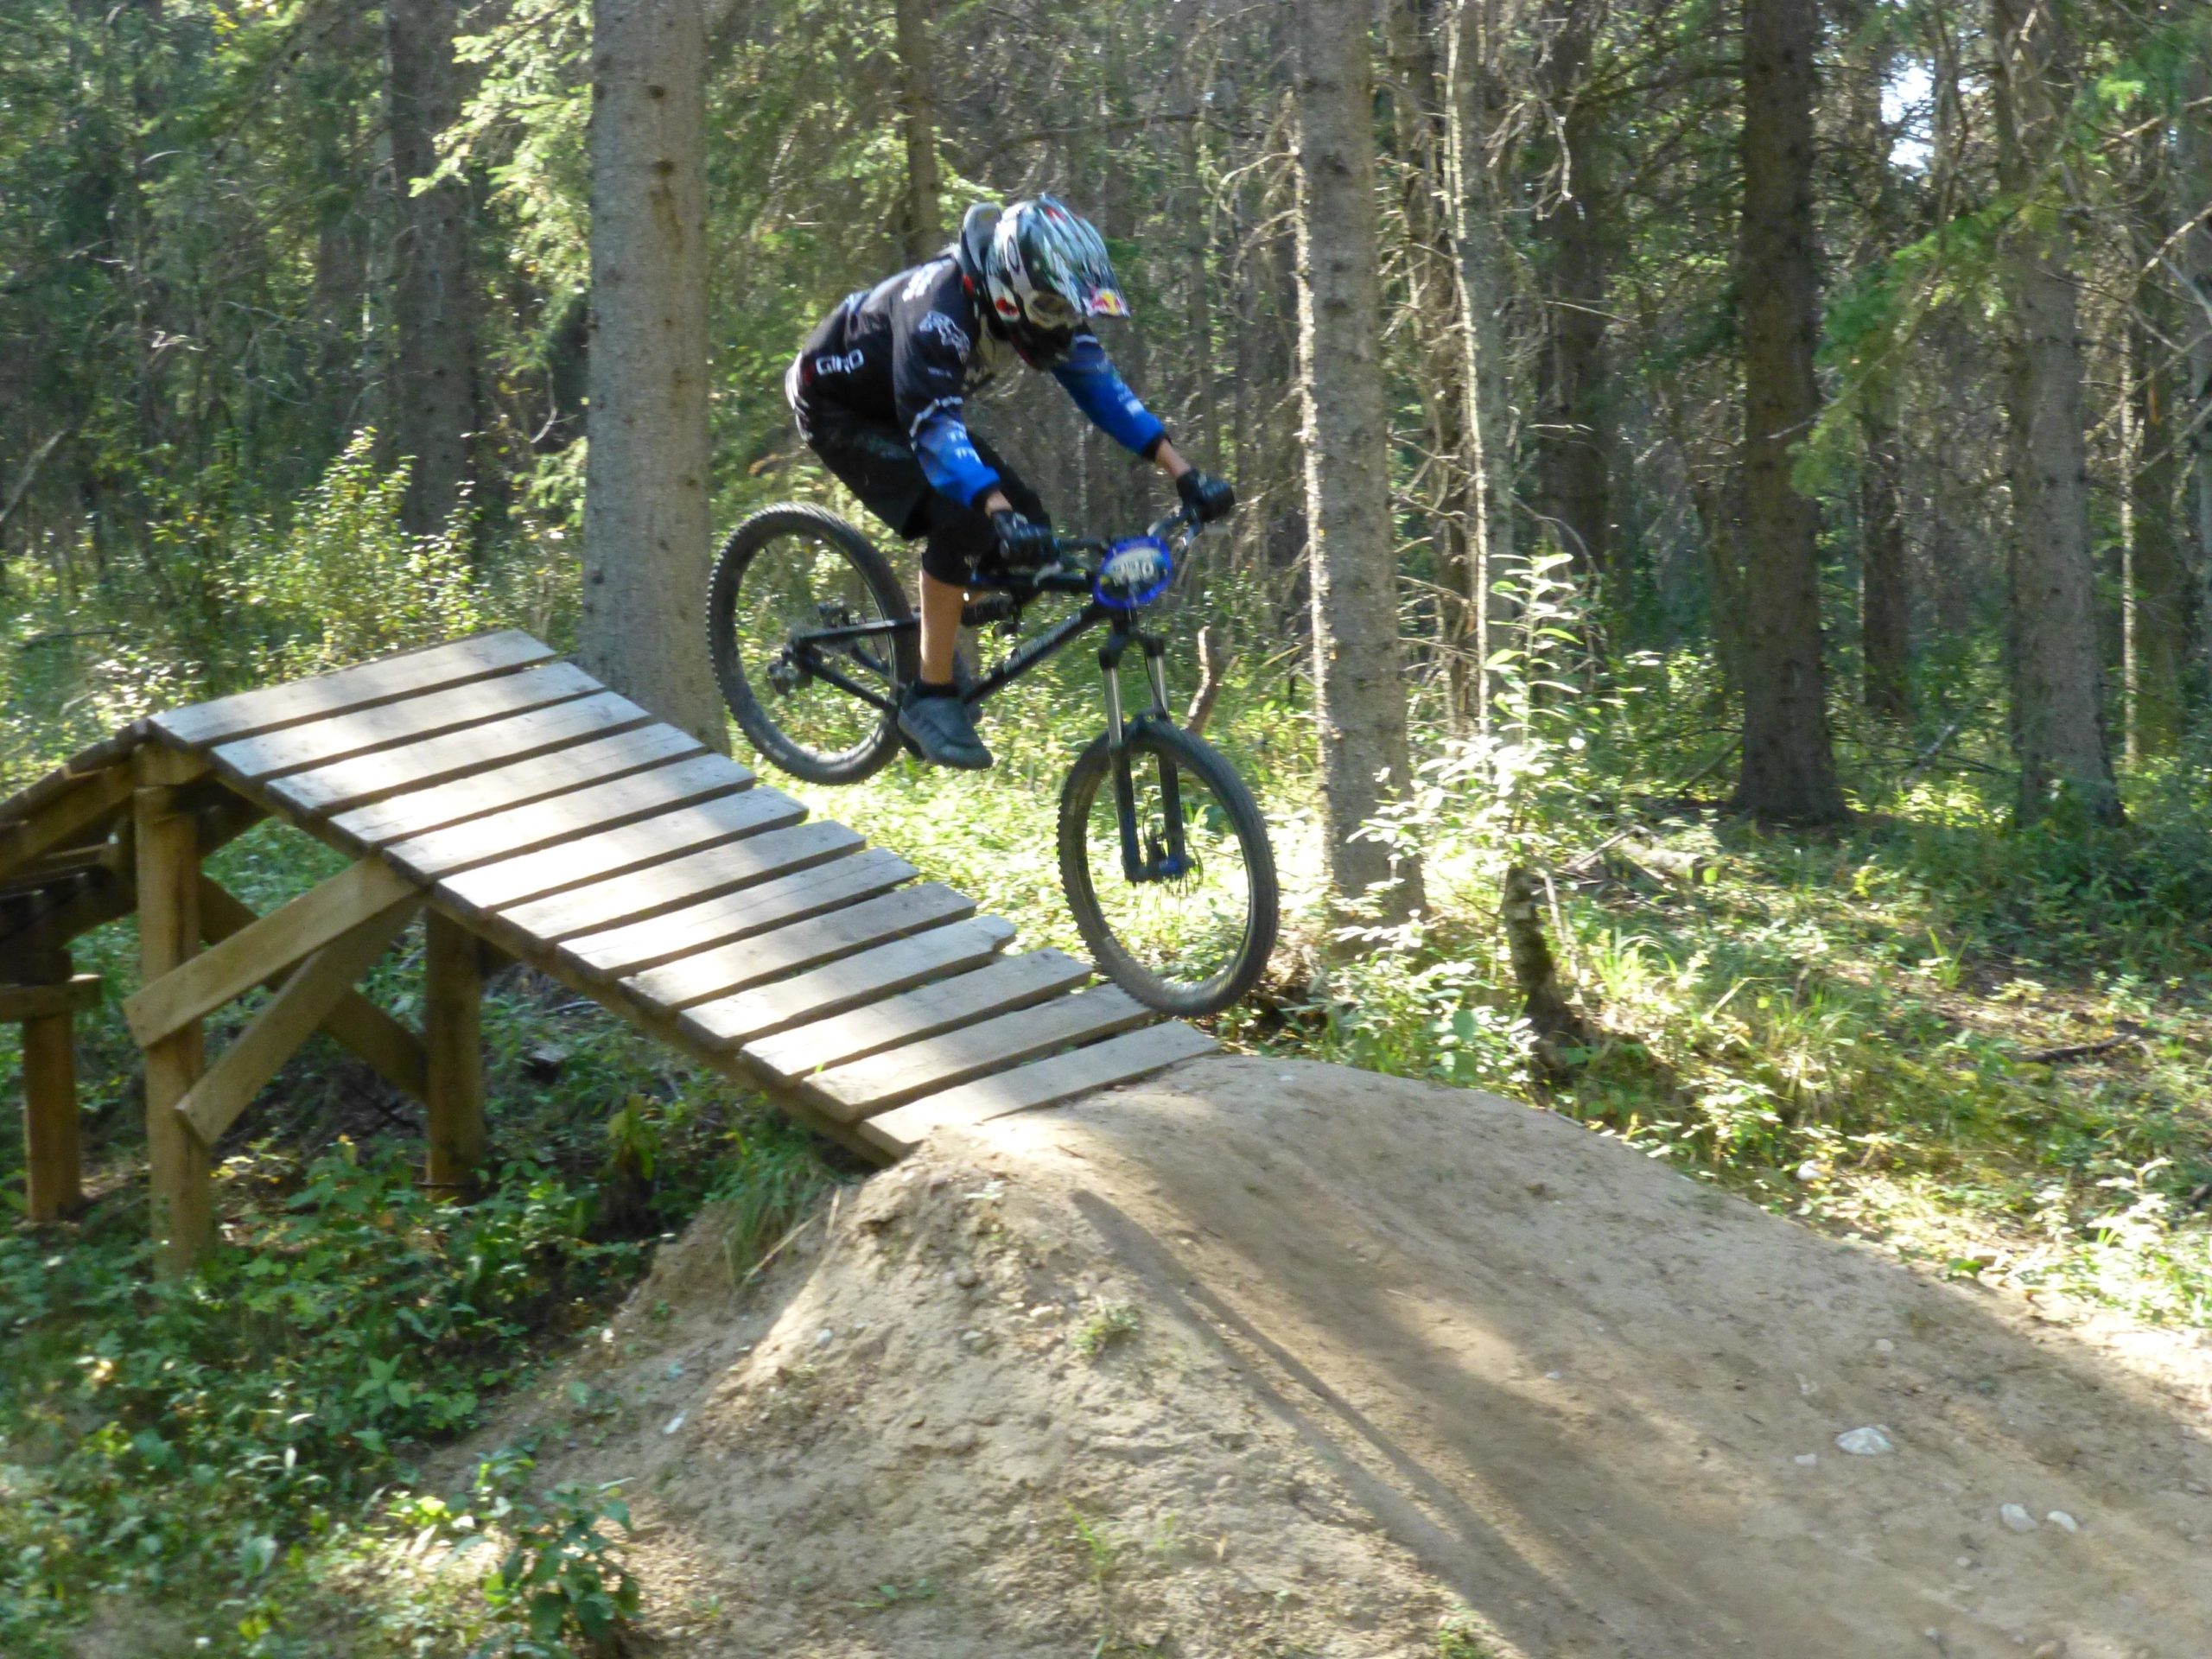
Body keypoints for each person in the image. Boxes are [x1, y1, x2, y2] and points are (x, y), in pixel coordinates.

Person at [785, 194, 1235, 770]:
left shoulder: (1037, 314)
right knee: (968, 517)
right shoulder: (939, 313)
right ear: (1010, 289)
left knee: (1031, 529)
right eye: (1052, 306)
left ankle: (934, 635)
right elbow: (935, 429)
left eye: (1068, 309)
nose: (1063, 321)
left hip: (914, 405)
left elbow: (1106, 393)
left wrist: (1187, 475)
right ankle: (930, 693)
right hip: (839, 407)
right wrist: (995, 510)